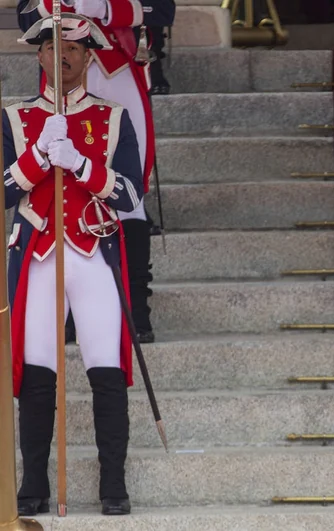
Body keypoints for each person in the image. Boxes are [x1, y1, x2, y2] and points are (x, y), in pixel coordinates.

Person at [3, 16, 143, 516]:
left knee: (106, 370)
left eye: (74, 48)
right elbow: (3, 189)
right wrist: (41, 156)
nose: (61, 55)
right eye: (51, 47)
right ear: (38, 56)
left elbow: (129, 195)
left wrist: (81, 165)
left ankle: (114, 488)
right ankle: (33, 486)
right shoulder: (15, 119)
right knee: (38, 373)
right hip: (39, 253)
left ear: (87, 58)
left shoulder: (114, 118)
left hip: (93, 253)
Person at [18, 0, 177, 343]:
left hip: (121, 71)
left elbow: (162, 10)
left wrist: (105, 7)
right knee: (65, 188)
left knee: (129, 196)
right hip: (64, 74)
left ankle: (135, 312)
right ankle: (73, 312)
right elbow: (26, 16)